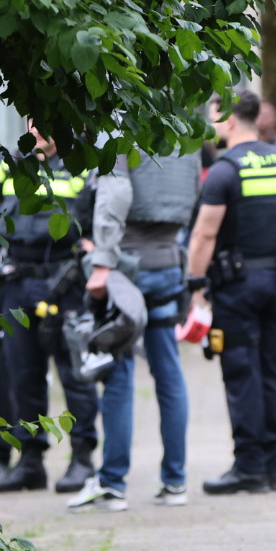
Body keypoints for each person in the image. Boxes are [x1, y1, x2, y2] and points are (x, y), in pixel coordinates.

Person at [188, 89, 276, 494]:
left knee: (242, 373)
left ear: (231, 119)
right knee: (273, 371)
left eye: (215, 116)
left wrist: (195, 287)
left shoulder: (225, 170)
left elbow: (204, 236)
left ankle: (249, 468)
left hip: (236, 286)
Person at [70, 141, 203, 511]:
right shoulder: (183, 134)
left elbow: (114, 195)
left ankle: (112, 485)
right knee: (168, 370)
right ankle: (175, 482)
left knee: (118, 370)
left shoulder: (122, 130)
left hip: (127, 266)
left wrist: (102, 261)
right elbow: (193, 193)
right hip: (169, 262)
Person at [0, 127, 101, 494]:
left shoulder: (83, 163)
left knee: (74, 374)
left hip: (65, 281)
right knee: (22, 375)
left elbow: (99, 220)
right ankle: (31, 461)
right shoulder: (14, 163)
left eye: (46, 122)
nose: (38, 130)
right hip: (19, 281)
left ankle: (82, 459)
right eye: (32, 122)